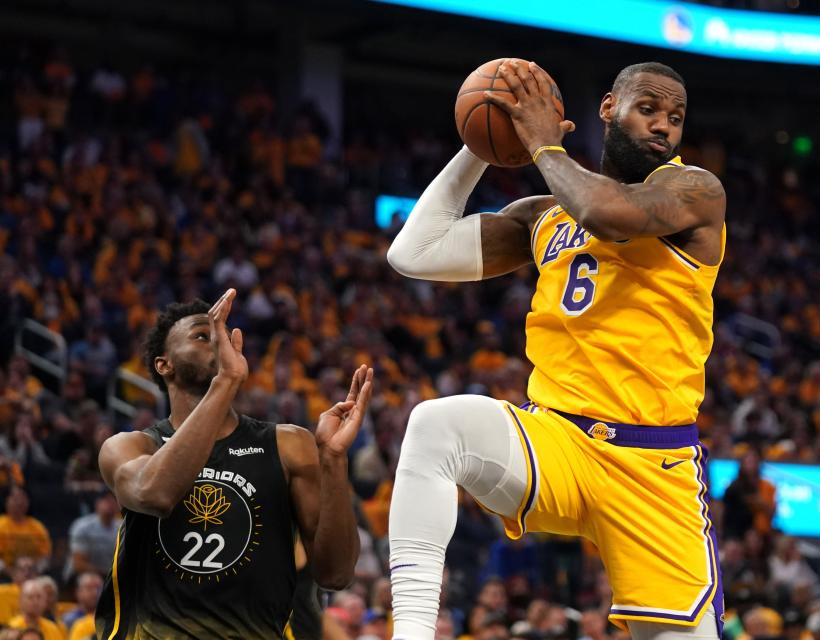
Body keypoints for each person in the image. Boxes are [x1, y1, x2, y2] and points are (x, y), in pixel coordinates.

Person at [386, 61, 726, 639]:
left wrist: (543, 146)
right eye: (648, 109)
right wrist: (483, 140)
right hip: (561, 442)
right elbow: (414, 253)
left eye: (675, 117)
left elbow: (608, 215)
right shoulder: (544, 215)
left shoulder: (693, 190)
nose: (663, 126)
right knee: (436, 425)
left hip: (654, 466)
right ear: (607, 109)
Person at [94, 290, 374, 638]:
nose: (217, 342)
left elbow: (336, 574)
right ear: (163, 364)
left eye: (223, 336)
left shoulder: (287, 445)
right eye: (202, 335)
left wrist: (333, 462)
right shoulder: (130, 446)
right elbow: (157, 494)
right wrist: (225, 382)